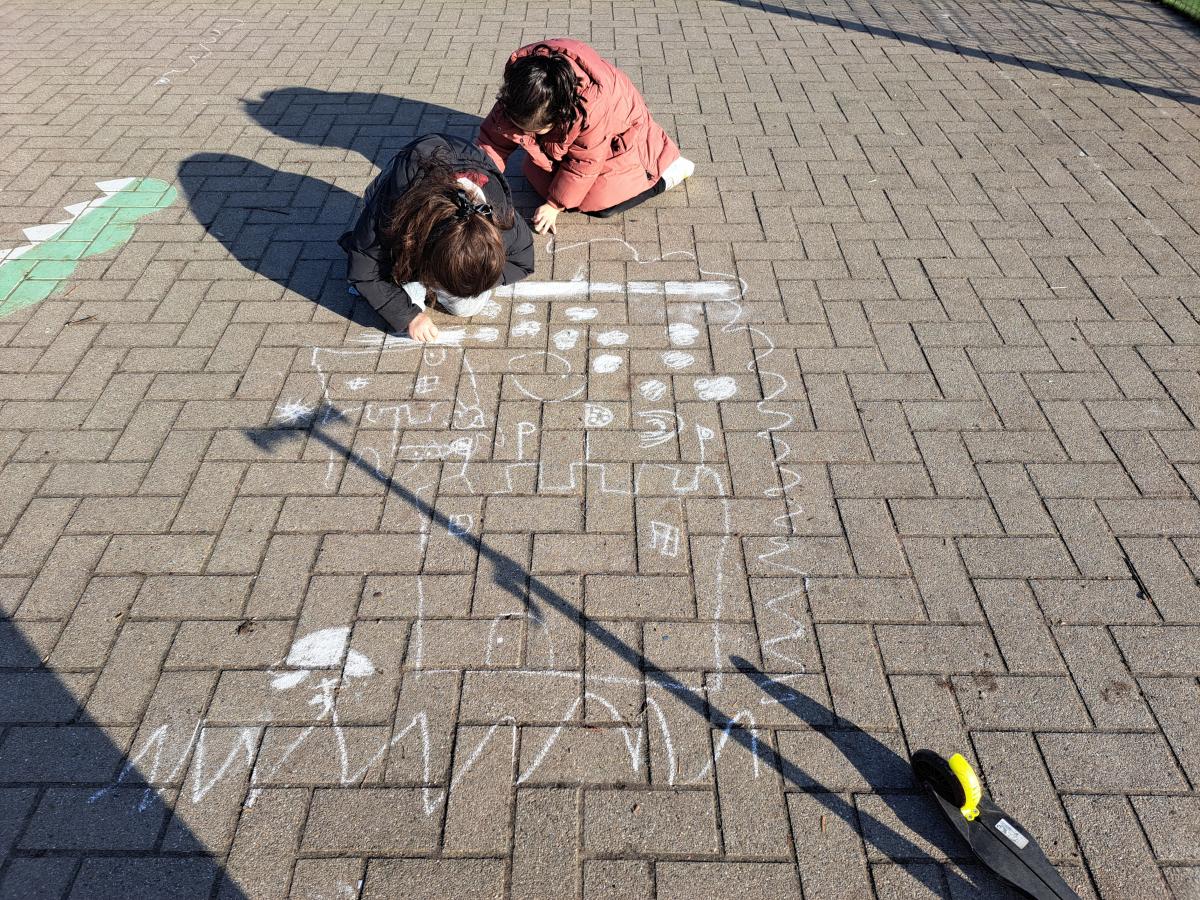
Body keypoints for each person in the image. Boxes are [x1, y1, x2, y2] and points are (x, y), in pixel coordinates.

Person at [477, 39, 694, 234]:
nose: (527, 134)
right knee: (536, 175)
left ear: (558, 115)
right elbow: (494, 138)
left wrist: (554, 205)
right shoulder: (523, 86)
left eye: (535, 130)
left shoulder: (591, 106)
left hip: (626, 140)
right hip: (583, 138)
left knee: (597, 202)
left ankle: (669, 173)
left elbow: (584, 163)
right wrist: (476, 180)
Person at [339, 133, 534, 341]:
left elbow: (522, 261)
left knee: (467, 305)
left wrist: (476, 278)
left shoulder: (500, 215)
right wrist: (410, 317)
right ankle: (412, 280)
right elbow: (364, 270)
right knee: (409, 301)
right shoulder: (391, 212)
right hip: (399, 205)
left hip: (434, 224)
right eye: (437, 281)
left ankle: (440, 281)